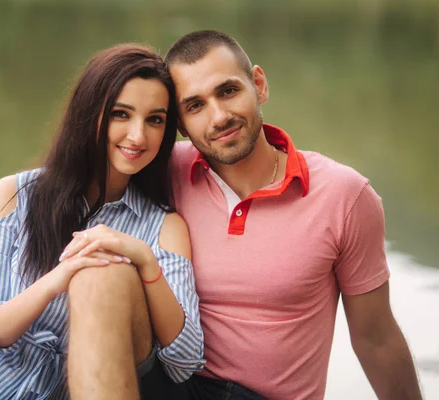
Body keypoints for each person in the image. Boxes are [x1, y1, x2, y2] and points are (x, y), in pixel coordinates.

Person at [0, 43, 205, 400]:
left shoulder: (164, 227)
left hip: (45, 390)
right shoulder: (15, 195)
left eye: (155, 120)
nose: (138, 136)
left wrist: (145, 261)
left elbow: (185, 361)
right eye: (120, 114)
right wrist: (56, 280)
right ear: (90, 113)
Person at [162, 30, 423, 399]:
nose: (218, 117)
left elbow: (375, 338)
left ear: (259, 84)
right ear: (180, 125)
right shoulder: (161, 173)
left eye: (228, 91)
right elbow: (69, 178)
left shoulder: (344, 196)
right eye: (195, 106)